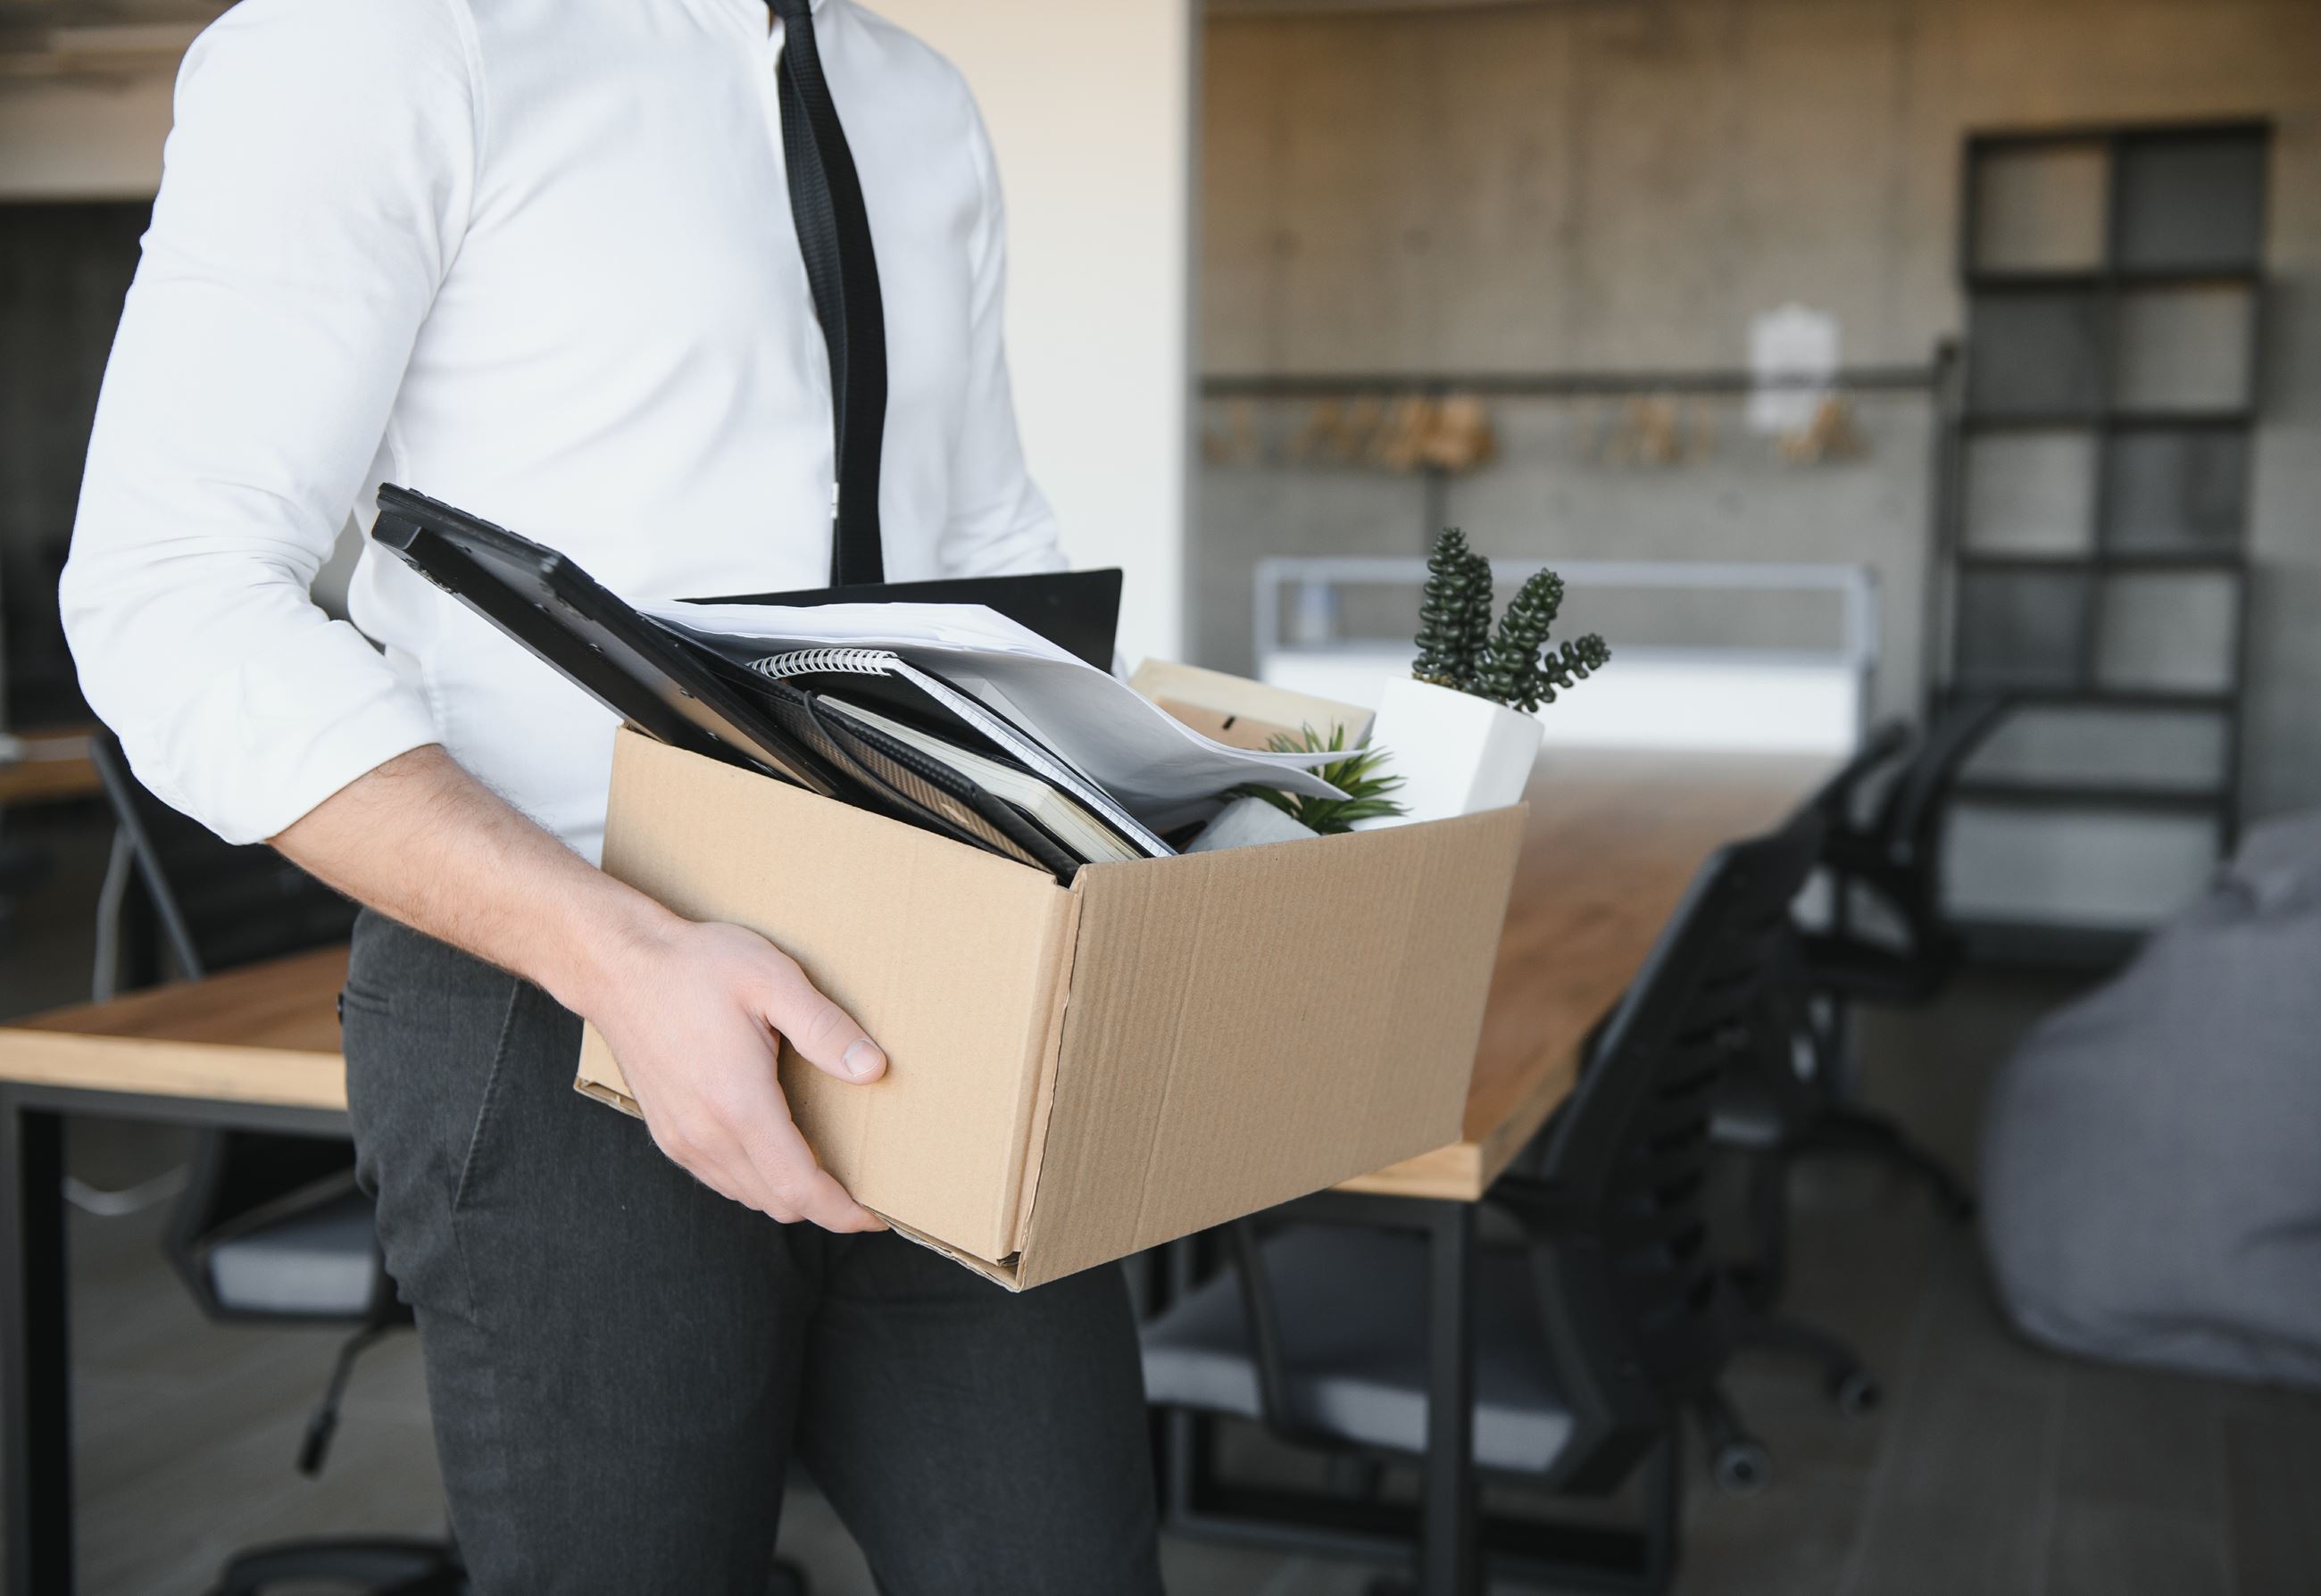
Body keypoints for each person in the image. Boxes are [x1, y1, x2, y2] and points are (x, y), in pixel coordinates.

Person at [60, 1, 1167, 1592]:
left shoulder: (914, 99)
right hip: (556, 1000)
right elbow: (167, 588)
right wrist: (614, 954)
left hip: (941, 994)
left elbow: (977, 541)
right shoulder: (377, 40)